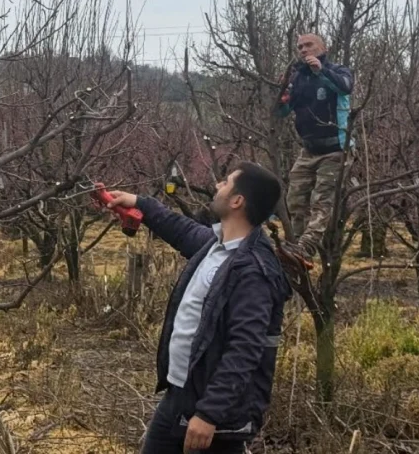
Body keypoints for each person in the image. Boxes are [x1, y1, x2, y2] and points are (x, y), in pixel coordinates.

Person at [105, 162, 290, 454]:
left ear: (237, 201)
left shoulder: (253, 270)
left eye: (226, 182)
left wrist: (209, 414)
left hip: (214, 416)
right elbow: (181, 230)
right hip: (179, 396)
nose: (217, 185)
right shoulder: (217, 246)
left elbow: (245, 349)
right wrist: (139, 203)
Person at [275, 33, 354, 265]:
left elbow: (345, 88)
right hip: (308, 150)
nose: (303, 50)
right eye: (299, 47)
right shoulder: (298, 78)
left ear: (323, 47)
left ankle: (307, 247)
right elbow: (282, 112)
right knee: (294, 200)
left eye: (308, 45)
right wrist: (281, 94)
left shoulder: (339, 70)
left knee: (322, 201)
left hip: (335, 148)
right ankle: (294, 247)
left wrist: (321, 70)